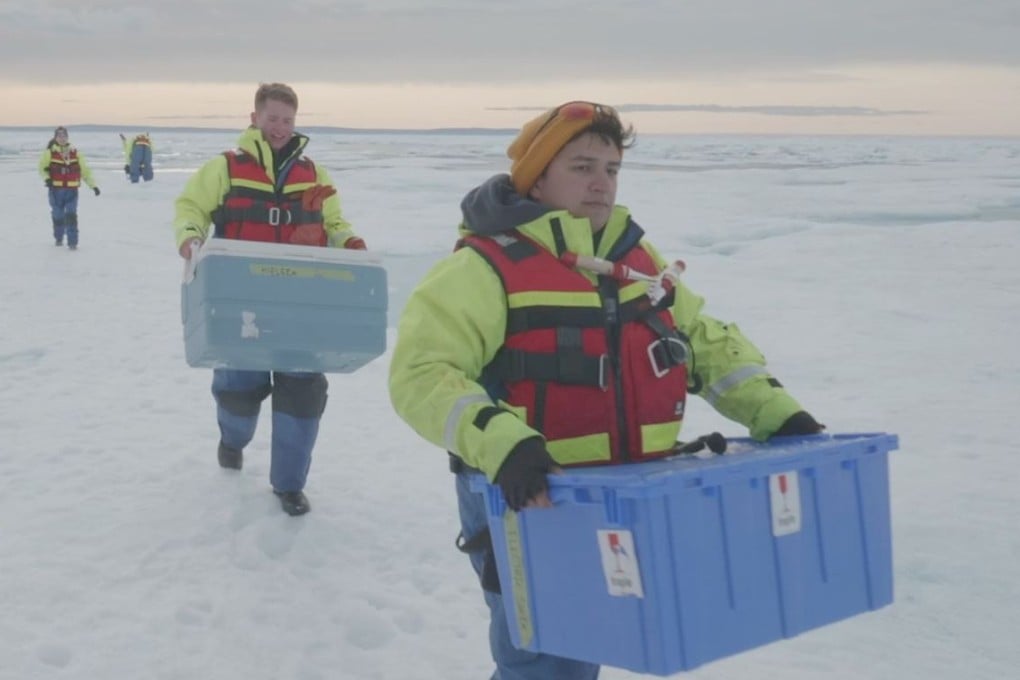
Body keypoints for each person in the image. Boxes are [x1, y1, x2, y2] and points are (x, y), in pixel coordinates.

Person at [388, 101, 824, 679]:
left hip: (622, 496)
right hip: (528, 495)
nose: (601, 184)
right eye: (582, 167)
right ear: (536, 178)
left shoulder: (638, 262)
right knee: (545, 661)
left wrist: (777, 413)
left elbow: (701, 340)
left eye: (612, 169)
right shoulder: (484, 267)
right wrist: (506, 446)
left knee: (587, 646)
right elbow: (421, 374)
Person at [172, 82, 367, 517]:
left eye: (287, 119)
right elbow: (191, 208)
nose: (280, 127)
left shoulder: (315, 172)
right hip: (243, 299)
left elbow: (334, 221)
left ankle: (289, 485)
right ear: (254, 117)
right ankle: (232, 440)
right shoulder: (225, 167)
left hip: (301, 302)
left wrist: (348, 241)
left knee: (303, 392)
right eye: (272, 118)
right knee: (238, 389)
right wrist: (189, 238)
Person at [38, 126, 101, 250]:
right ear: (55, 137)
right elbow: (41, 168)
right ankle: (59, 237)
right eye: (59, 136)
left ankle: (73, 243)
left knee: (71, 215)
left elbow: (85, 171)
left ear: (67, 137)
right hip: (55, 190)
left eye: (64, 135)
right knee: (58, 215)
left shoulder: (75, 152)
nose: (62, 138)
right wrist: (47, 179)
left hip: (72, 191)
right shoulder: (49, 152)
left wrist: (93, 186)